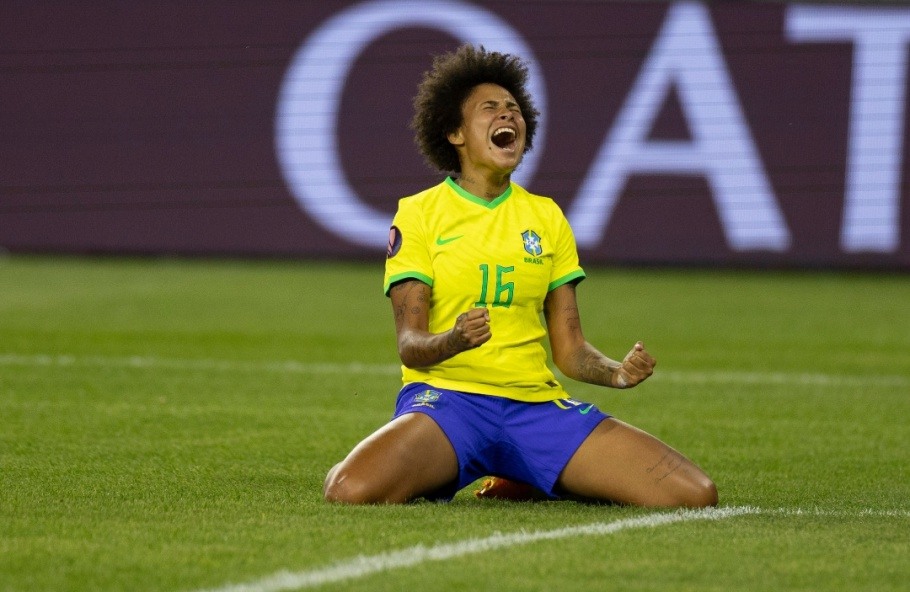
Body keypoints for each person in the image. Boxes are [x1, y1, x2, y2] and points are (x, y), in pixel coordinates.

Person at [323, 44, 717, 508]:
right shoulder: (419, 214)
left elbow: (569, 352)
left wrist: (616, 374)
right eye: (489, 108)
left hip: (536, 409)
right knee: (348, 490)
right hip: (450, 404)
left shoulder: (546, 217)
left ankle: (524, 471)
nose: (506, 113)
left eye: (513, 108)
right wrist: (453, 340)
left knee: (693, 494)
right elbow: (411, 345)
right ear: (454, 132)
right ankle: (498, 468)